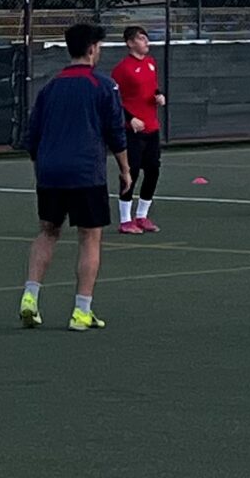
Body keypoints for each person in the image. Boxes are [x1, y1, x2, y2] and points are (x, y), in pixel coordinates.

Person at [20, 21, 129, 331]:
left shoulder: (50, 87)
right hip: (85, 172)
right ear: (92, 49)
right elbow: (115, 133)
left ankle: (30, 296)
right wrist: (125, 169)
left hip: (50, 173)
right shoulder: (104, 86)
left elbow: (33, 136)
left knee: (48, 231)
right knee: (90, 236)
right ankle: (81, 310)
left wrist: (41, 168)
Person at [112, 25, 164, 234]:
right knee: (130, 172)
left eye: (146, 38)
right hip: (132, 131)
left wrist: (159, 96)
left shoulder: (151, 63)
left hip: (152, 127)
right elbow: (114, 100)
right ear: (130, 43)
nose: (146, 42)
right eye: (141, 39)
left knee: (153, 171)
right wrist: (130, 118)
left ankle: (142, 216)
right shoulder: (122, 69)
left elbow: (152, 88)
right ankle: (125, 220)